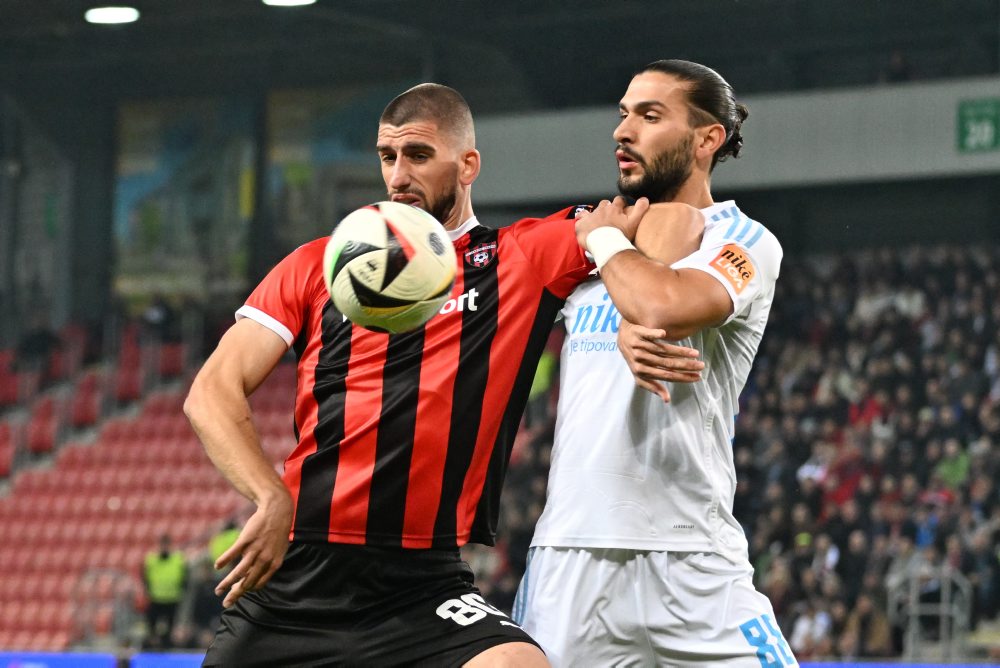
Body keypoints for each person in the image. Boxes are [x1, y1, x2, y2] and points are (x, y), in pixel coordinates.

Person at [185, 82, 690, 666]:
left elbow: (660, 219)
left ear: (468, 164)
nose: (398, 175)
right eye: (387, 157)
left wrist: (631, 299)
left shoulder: (519, 256)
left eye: (419, 156)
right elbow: (212, 391)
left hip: (423, 584)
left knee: (516, 665)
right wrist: (268, 496)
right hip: (295, 577)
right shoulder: (320, 263)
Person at [513, 60, 797, 666]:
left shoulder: (743, 240)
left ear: (707, 139)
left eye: (649, 115)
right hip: (571, 558)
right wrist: (609, 260)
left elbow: (662, 302)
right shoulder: (585, 241)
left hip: (695, 560)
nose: (623, 130)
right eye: (622, 114)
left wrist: (607, 250)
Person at [143, 533, 188, 650]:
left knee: (169, 631)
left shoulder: (178, 559)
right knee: (152, 631)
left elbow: (185, 578)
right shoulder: (151, 560)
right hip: (155, 599)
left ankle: (167, 652)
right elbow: (145, 578)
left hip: (172, 599)